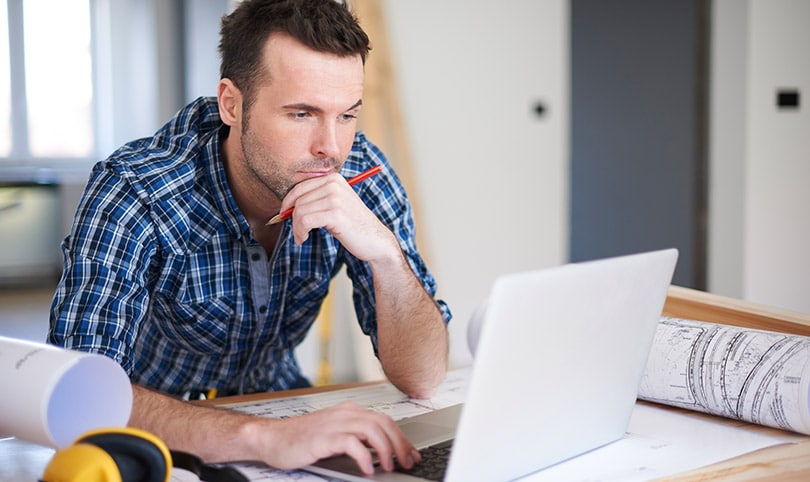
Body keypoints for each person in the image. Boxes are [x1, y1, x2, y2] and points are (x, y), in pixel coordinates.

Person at [48, 0, 451, 474]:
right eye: (302, 114)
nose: (332, 147)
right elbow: (74, 393)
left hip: (285, 410)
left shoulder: (363, 173)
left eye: (347, 115)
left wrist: (386, 256)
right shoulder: (136, 190)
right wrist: (262, 438)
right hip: (152, 435)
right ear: (231, 104)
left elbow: (424, 378)